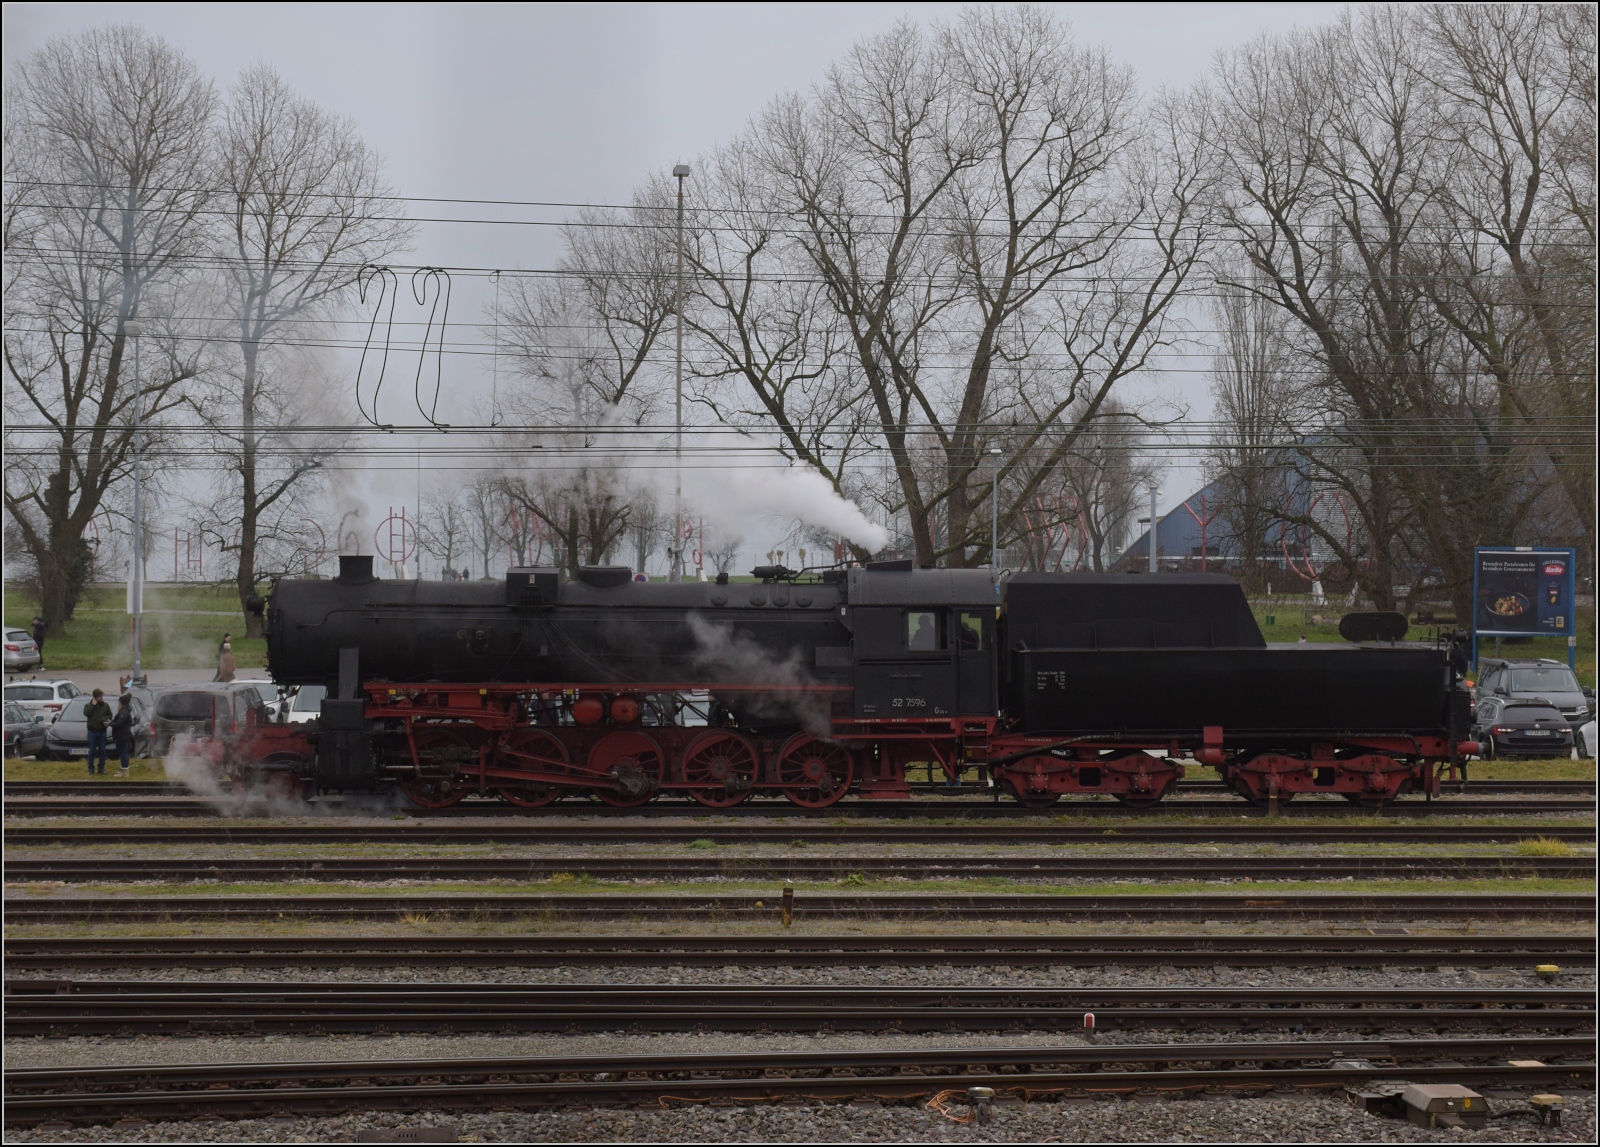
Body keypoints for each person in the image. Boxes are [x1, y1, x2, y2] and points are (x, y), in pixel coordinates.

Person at [83, 688, 112, 775]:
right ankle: (91, 769)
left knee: (102, 750)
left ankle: (101, 768)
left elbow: (110, 715)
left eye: (101, 696)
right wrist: (93, 706)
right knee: (91, 750)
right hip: (92, 731)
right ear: (95, 697)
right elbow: (87, 713)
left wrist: (104, 719)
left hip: (102, 731)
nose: (101, 698)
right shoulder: (88, 706)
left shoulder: (105, 705)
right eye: (99, 696)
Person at [111, 693, 135, 775]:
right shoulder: (126, 711)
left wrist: (109, 723)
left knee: (123, 753)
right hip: (124, 734)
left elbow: (119, 724)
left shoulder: (124, 712)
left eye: (119, 702)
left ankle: (124, 770)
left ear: (121, 702)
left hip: (122, 735)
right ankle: (124, 768)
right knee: (124, 752)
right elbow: (130, 723)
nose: (118, 704)